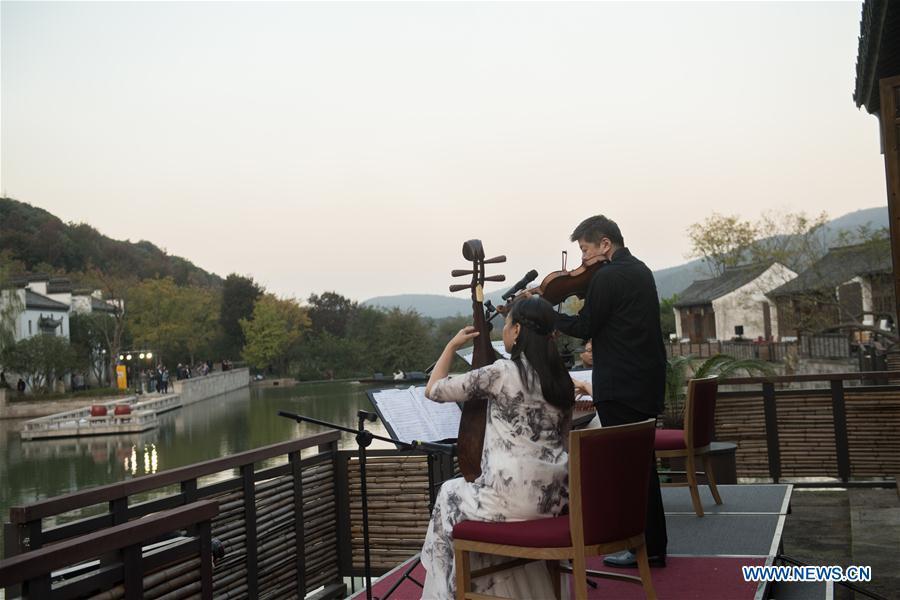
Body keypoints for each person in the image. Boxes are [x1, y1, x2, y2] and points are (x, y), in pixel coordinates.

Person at [420, 296, 574, 600]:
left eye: (506, 324)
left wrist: (451, 346)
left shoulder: (502, 372)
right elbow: (564, 439)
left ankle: (447, 593)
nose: (503, 330)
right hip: (553, 501)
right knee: (463, 495)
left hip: (510, 499)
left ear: (517, 331)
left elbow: (434, 389)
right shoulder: (562, 381)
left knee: (449, 493)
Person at [555, 214, 668, 568]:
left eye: (585, 249)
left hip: (620, 386)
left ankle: (639, 546)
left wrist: (547, 315)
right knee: (642, 467)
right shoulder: (641, 270)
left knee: (628, 471)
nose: (583, 259)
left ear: (605, 243)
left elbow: (585, 325)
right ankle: (653, 547)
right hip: (645, 382)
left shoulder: (607, 277)